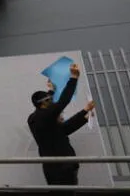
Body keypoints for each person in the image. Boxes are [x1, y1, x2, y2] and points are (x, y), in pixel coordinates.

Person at [28, 64, 96, 196]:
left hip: (57, 167)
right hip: (61, 167)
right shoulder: (43, 116)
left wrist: (85, 114)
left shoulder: (40, 120)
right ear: (44, 104)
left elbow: (65, 129)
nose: (53, 103)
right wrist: (74, 78)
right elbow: (63, 101)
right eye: (50, 101)